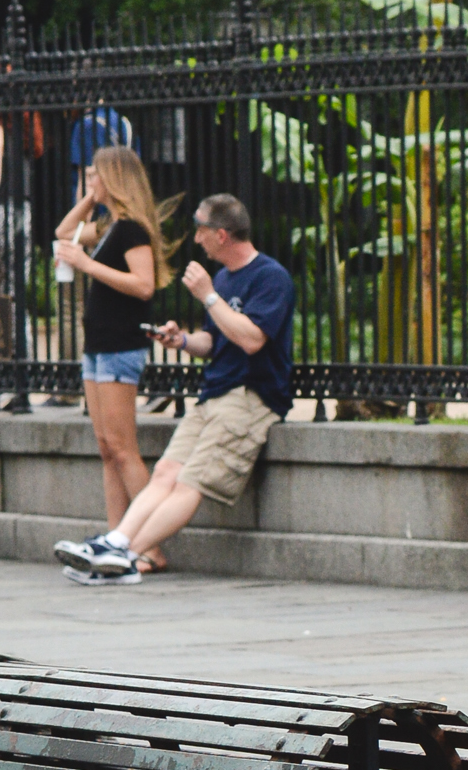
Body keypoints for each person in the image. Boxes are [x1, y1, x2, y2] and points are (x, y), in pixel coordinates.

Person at [52, 194, 293, 585]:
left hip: (251, 398)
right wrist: (181, 341)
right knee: (165, 471)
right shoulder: (224, 278)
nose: (195, 238)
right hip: (215, 393)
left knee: (189, 482)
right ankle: (116, 543)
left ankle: (126, 557)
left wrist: (209, 296)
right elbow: (214, 342)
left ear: (221, 234)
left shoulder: (270, 277)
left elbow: (252, 340)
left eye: (200, 229)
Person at [52, 148, 175, 555]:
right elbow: (63, 231)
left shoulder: (132, 230)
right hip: (98, 344)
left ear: (115, 178)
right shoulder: (108, 226)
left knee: (123, 449)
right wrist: (90, 198)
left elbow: (144, 285)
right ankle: (115, 538)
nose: (89, 181)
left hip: (121, 344)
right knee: (107, 448)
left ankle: (149, 546)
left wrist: (87, 266)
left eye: (95, 175)